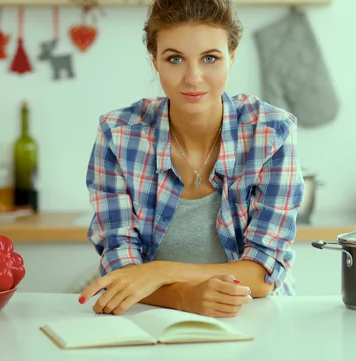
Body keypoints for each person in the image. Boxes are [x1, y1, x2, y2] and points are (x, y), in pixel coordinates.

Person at [79, 0, 304, 318]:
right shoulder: (119, 134)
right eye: (175, 59)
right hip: (153, 318)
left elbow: (263, 274)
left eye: (210, 58)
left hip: (257, 316)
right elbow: (123, 266)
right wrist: (185, 298)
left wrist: (158, 272)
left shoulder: (271, 131)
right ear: (155, 60)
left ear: (232, 57)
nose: (193, 77)